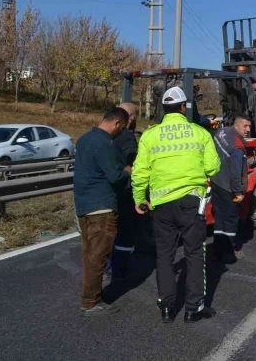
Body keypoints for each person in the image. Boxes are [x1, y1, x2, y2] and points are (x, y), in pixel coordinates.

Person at [131, 86, 221, 324]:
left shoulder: (150, 135)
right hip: (191, 203)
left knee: (164, 256)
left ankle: (167, 308)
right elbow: (213, 167)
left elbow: (140, 172)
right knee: (193, 254)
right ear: (183, 108)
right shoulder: (199, 133)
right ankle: (194, 308)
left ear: (164, 108)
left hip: (161, 205)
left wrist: (140, 198)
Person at [73, 107, 132, 316]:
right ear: (116, 123)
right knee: (98, 256)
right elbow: (115, 175)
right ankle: (90, 302)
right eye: (122, 128)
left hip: (83, 205)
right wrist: (128, 171)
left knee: (90, 254)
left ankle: (92, 296)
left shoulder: (84, 139)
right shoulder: (106, 143)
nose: (121, 131)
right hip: (102, 206)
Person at [211, 115, 251, 263]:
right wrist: (239, 192)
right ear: (236, 125)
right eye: (245, 126)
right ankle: (228, 251)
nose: (248, 129)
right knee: (231, 219)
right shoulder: (238, 147)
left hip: (216, 182)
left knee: (219, 217)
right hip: (229, 189)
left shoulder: (221, 132)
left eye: (249, 126)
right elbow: (236, 174)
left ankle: (217, 248)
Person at [110, 102, 139, 281]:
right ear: (131, 118)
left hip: (109, 190)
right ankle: (120, 270)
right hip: (126, 189)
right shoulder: (128, 137)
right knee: (126, 231)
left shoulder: (105, 135)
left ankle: (110, 264)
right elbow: (133, 161)